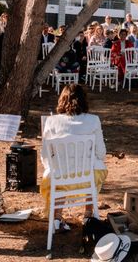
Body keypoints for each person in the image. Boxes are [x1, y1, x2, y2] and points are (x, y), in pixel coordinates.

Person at [41, 84, 107, 231]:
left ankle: (57, 217)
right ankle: (88, 213)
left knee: (57, 175)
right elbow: (101, 153)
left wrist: (56, 169)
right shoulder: (93, 120)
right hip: (86, 177)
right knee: (98, 169)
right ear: (84, 100)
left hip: (60, 178)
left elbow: (45, 156)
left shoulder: (51, 121)